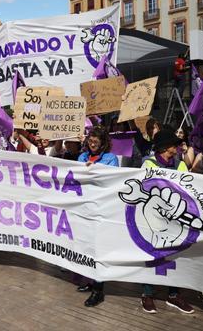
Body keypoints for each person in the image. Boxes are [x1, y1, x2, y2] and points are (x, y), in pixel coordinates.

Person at [139, 128, 194, 314]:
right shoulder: (148, 165)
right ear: (165, 147)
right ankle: (147, 293)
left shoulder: (180, 165)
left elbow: (191, 188)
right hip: (153, 220)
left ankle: (174, 295)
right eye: (174, 145)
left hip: (176, 220)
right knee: (153, 255)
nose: (177, 147)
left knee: (175, 256)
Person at [76, 126, 117, 307]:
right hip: (85, 208)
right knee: (87, 248)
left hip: (101, 210)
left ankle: (98, 290)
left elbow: (113, 181)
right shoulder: (82, 157)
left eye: (95, 141)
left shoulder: (111, 158)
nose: (92, 144)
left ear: (102, 142)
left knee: (98, 250)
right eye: (90, 141)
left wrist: (96, 170)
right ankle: (91, 281)